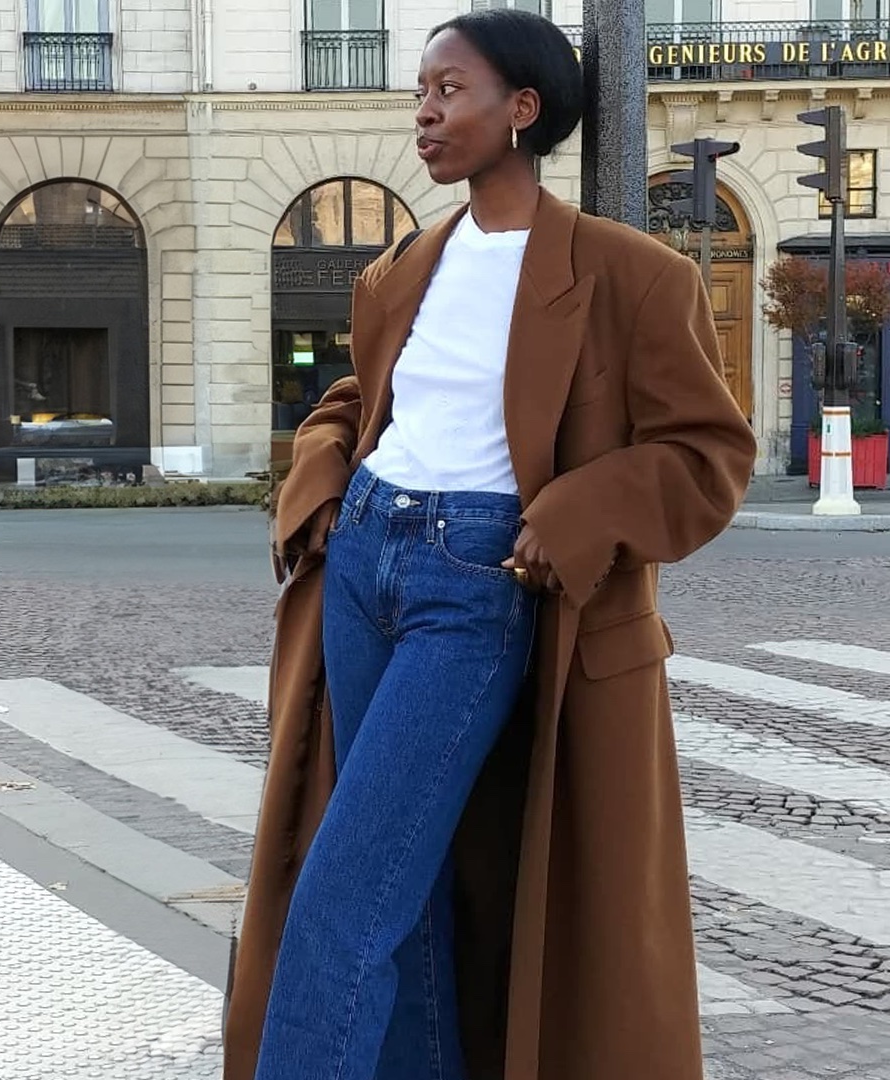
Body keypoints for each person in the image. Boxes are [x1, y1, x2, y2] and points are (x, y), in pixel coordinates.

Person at [226, 9, 756, 1080]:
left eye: (448, 90)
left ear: (521, 110)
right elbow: (359, 404)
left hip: (479, 584)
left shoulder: (631, 275)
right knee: (401, 900)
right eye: (419, 92)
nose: (424, 112)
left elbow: (708, 454)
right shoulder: (399, 273)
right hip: (365, 563)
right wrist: (323, 481)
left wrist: (575, 513)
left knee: (342, 896)